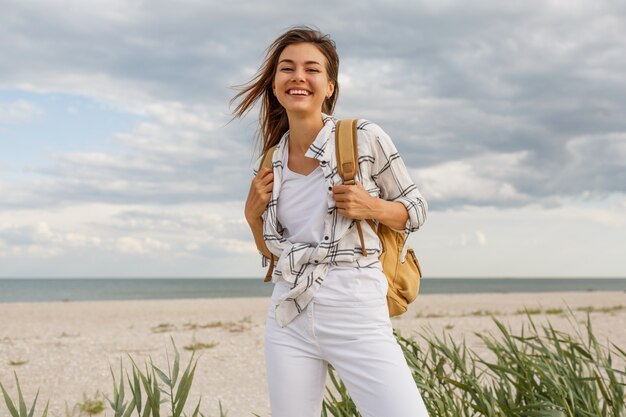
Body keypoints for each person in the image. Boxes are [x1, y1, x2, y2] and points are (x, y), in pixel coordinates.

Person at [232, 26, 429, 417]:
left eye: (312, 69)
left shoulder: (363, 137)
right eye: (287, 68)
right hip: (289, 313)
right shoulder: (272, 158)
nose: (298, 77)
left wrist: (370, 207)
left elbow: (416, 208)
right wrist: (251, 216)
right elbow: (271, 253)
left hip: (355, 306)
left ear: (330, 86)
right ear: (274, 85)